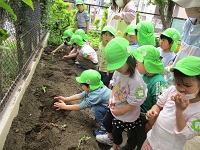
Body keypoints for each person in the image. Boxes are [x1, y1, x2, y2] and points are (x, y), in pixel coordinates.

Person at [96, 37, 147, 150]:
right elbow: (115, 85)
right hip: (116, 103)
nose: (116, 69)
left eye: (118, 66)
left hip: (126, 112)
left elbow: (136, 101)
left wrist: (121, 111)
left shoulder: (135, 80)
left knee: (117, 130)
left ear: (128, 60)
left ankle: (115, 147)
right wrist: (110, 97)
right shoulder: (119, 72)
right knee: (106, 121)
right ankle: (110, 138)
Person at [142, 56, 200, 150]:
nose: (181, 89)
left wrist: (179, 110)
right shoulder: (172, 90)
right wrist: (153, 111)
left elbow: (186, 134)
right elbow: (158, 105)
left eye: (187, 85)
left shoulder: (198, 109)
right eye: (178, 84)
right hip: (151, 140)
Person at [122, 45, 167, 150]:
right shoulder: (142, 75)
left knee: (142, 140)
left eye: (138, 63)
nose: (136, 65)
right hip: (135, 116)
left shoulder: (158, 82)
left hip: (146, 121)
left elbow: (160, 106)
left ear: (148, 64)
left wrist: (150, 124)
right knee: (131, 134)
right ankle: (129, 146)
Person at [53, 69, 111, 136]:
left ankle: (105, 127)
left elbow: (80, 106)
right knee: (95, 107)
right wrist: (65, 99)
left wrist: (64, 107)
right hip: (109, 108)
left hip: (114, 113)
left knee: (95, 109)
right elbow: (81, 95)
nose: (81, 86)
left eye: (81, 85)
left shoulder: (96, 95)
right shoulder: (96, 87)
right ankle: (103, 118)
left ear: (89, 86)